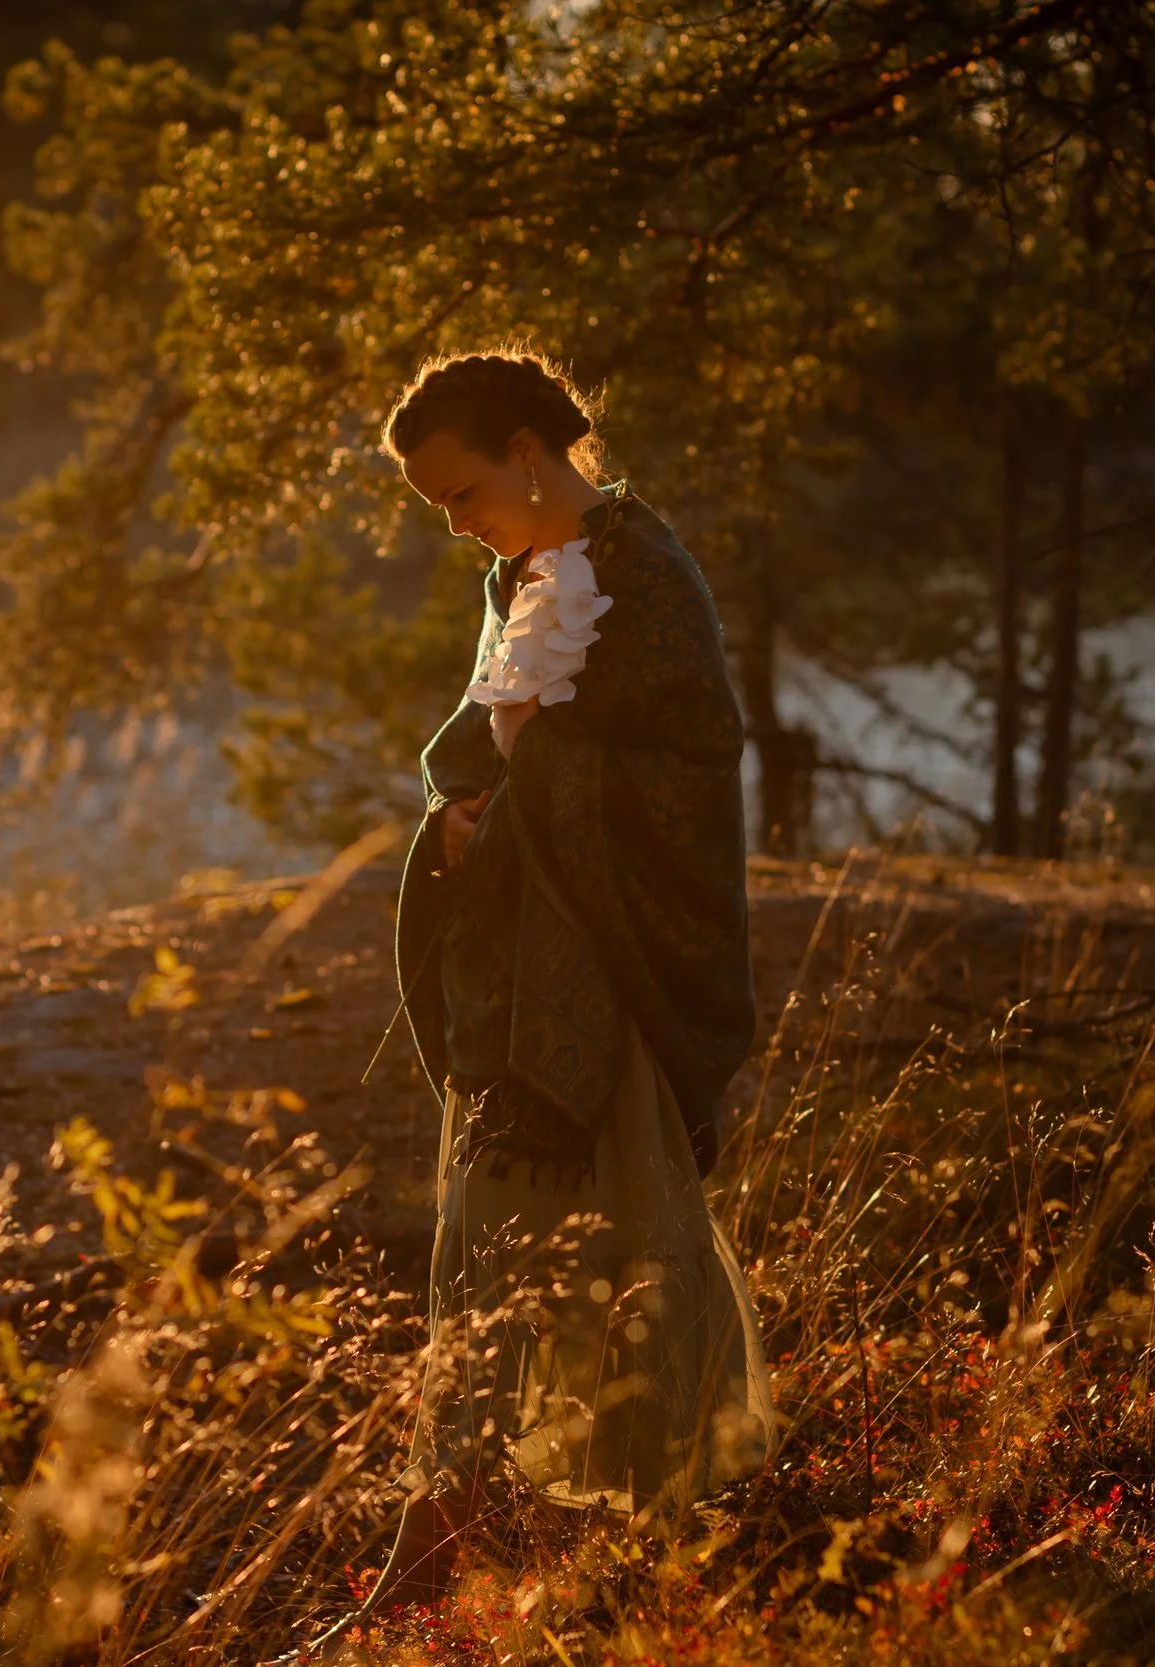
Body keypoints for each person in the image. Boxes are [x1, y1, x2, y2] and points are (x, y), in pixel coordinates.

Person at [334, 350, 775, 1636]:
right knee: (490, 1235)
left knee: (626, 1236)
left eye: (460, 491)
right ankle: (458, 1515)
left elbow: (692, 771)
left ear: (528, 451)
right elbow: (484, 746)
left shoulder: (647, 578)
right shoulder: (519, 576)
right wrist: (478, 817)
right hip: (516, 971)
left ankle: (653, 1536)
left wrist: (536, 790)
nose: (454, 521)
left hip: (610, 971)